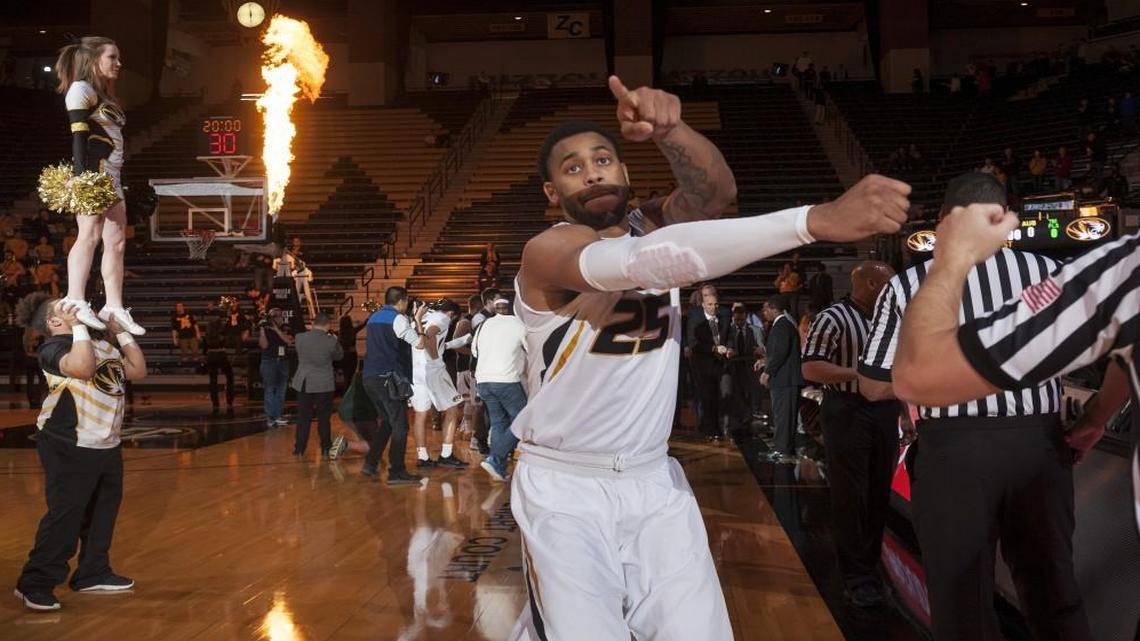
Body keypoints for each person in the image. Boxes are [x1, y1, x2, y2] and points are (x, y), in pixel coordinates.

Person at [506, 74, 909, 639]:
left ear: (625, 172)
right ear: (552, 193)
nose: (592, 172)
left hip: (652, 476)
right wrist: (810, 221)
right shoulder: (548, 250)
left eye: (602, 159)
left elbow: (715, 193)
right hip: (565, 485)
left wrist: (671, 131)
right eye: (573, 168)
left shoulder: (650, 223)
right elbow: (645, 262)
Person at [865, 173, 1089, 641]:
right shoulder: (1053, 274)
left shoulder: (909, 284)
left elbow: (872, 384)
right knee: (1054, 595)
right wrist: (1097, 417)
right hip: (1039, 444)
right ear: (1005, 218)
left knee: (962, 607)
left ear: (944, 222)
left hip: (953, 451)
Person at [14, 295, 147, 611]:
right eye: (67, 306)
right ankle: (34, 583)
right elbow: (84, 369)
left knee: (102, 513)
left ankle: (92, 573)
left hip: (105, 442)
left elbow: (137, 370)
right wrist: (78, 328)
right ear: (54, 321)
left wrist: (121, 332)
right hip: (68, 442)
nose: (77, 305)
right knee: (66, 515)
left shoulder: (100, 346)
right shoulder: (53, 348)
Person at [801, 261, 897, 607]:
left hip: (885, 408)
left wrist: (905, 413)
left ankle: (870, 566)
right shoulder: (832, 317)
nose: (894, 291)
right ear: (871, 284)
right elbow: (810, 367)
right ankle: (855, 576)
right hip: (847, 409)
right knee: (851, 495)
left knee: (878, 492)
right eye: (888, 285)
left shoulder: (891, 319)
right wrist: (858, 373)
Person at [54, 37, 144, 336]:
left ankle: (113, 306)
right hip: (95, 172)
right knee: (89, 234)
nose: (118, 63)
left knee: (116, 242)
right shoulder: (80, 89)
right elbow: (78, 135)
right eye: (112, 57)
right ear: (94, 60)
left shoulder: (104, 94)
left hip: (113, 175)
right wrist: (82, 176)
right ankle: (75, 298)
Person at [360, 286, 426, 485]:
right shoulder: (398, 319)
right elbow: (420, 344)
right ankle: (396, 472)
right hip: (387, 378)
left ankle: (370, 463)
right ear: (402, 301)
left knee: (388, 422)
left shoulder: (374, 317)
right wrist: (418, 320)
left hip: (370, 377)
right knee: (400, 426)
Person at [472, 297, 528, 482]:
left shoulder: (483, 325)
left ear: (495, 309)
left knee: (498, 423)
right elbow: (531, 349)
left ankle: (499, 467)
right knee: (523, 419)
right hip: (506, 380)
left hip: (483, 380)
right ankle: (495, 459)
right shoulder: (519, 324)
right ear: (512, 309)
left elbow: (474, 351)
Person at [409, 300, 468, 469]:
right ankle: (446, 455)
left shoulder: (423, 317)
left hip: (416, 371)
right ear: (452, 314)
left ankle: (422, 457)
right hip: (432, 369)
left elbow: (428, 338)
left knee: (421, 414)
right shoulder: (443, 318)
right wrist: (435, 359)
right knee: (453, 408)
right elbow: (430, 336)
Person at [291, 312, 343, 458]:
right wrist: (335, 339)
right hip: (323, 383)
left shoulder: (300, 337)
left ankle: (299, 448)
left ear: (313, 323)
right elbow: (339, 356)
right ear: (328, 325)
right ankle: (326, 447)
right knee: (323, 418)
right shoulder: (331, 340)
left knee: (303, 417)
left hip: (304, 381)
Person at [762, 294, 803, 462]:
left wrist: (767, 372)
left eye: (766, 309)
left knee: (784, 417)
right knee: (783, 416)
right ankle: (782, 449)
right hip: (785, 380)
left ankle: (782, 450)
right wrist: (764, 361)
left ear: (774, 309)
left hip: (785, 380)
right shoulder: (783, 325)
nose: (764, 313)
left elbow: (780, 352)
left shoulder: (782, 326)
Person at [689, 292, 733, 440]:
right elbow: (694, 344)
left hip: (723, 364)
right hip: (704, 366)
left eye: (716, 304)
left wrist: (730, 348)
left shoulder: (724, 319)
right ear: (703, 305)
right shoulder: (697, 322)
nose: (713, 307)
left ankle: (724, 428)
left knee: (725, 396)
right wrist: (714, 349)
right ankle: (710, 430)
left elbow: (730, 337)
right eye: (710, 304)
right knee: (708, 398)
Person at [724, 302, 764, 436]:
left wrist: (759, 350)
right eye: (737, 320)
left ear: (746, 316)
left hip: (750, 365)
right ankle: (739, 420)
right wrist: (729, 351)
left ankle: (749, 418)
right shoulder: (729, 331)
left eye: (741, 320)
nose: (739, 322)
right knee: (736, 394)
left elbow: (762, 348)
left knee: (751, 394)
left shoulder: (755, 330)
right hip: (734, 366)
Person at [257, 307, 294, 428]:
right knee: (269, 389)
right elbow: (264, 345)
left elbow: (288, 341)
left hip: (283, 361)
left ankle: (278, 415)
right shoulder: (266, 328)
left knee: (281, 390)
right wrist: (262, 329)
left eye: (280, 315)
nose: (278, 318)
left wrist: (276, 329)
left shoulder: (286, 328)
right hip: (269, 361)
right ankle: (270, 417)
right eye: (274, 316)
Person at [202, 317, 234, 409]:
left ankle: (215, 402)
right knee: (230, 377)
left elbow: (204, 349)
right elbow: (227, 342)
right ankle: (229, 400)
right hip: (221, 355)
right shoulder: (222, 334)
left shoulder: (207, 335)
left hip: (211, 355)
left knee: (213, 380)